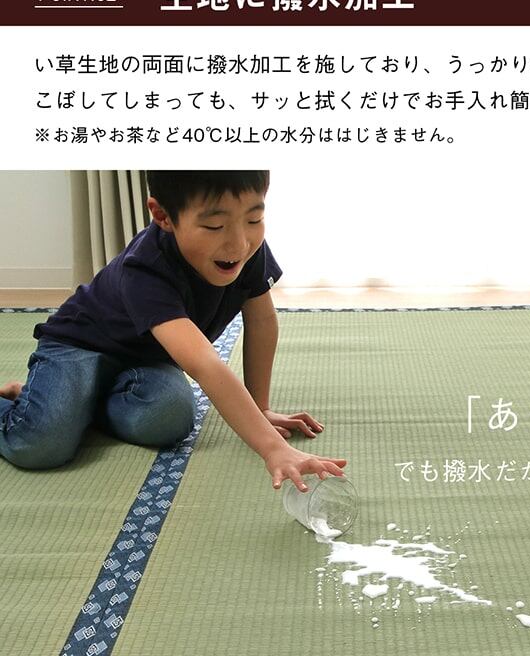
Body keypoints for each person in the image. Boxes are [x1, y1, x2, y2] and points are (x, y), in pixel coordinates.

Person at [0, 171, 346, 491]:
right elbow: (204, 364)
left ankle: (62, 402)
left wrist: (261, 408)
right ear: (163, 215)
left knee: (171, 419)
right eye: (214, 226)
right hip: (80, 346)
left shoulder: (246, 252)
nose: (239, 243)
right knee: (39, 446)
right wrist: (273, 449)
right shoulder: (145, 269)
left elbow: (262, 321)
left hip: (144, 362)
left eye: (254, 219)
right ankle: (44, 403)